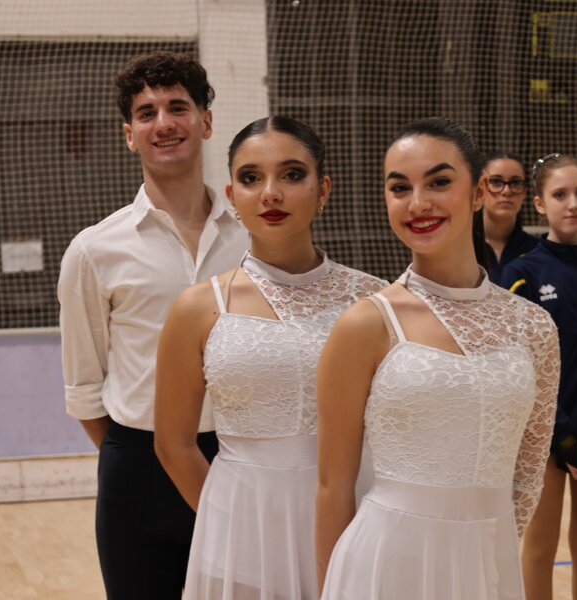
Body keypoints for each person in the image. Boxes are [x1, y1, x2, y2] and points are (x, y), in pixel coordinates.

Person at [315, 117, 559, 599]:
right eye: (399, 188)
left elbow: (529, 472)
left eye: (439, 182)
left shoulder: (534, 326)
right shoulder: (364, 324)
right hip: (384, 567)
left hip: (489, 565)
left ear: (478, 193)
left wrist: (486, 557)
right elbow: (332, 488)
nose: (418, 203)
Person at [154, 115, 386, 599]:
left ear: (323, 190)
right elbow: (173, 444)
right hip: (242, 526)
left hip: (356, 512)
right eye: (251, 178)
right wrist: (226, 523)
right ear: (232, 195)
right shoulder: (197, 307)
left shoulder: (376, 300)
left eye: (292, 175)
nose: (271, 193)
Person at [56, 51, 249, 599]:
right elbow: (84, 388)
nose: (163, 123)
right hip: (139, 474)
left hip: (243, 460)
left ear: (205, 121)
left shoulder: (254, 239)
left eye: (177, 108)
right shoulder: (94, 250)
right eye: (146, 113)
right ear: (130, 135)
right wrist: (145, 453)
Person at [502, 153, 577, 599]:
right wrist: (563, 439)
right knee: (539, 548)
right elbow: (520, 367)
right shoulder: (521, 274)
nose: (573, 204)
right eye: (560, 194)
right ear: (539, 204)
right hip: (543, 436)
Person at [476, 151, 539, 282]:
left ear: (525, 192)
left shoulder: (537, 251)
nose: (506, 191)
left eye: (515, 183)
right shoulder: (462, 248)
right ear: (480, 189)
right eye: (496, 181)